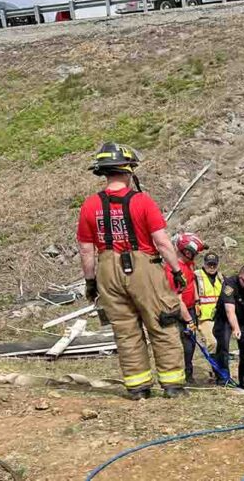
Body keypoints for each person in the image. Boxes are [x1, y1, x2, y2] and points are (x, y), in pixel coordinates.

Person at [77, 143, 187, 400]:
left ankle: (138, 388)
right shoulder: (143, 201)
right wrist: (176, 269)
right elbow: (162, 242)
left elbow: (85, 250)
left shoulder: (89, 205)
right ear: (127, 171)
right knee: (163, 322)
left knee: (126, 331)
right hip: (142, 267)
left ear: (104, 172)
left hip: (106, 268)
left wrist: (91, 281)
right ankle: (172, 385)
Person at [165, 233, 206, 384]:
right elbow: (177, 299)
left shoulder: (189, 264)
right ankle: (177, 375)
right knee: (179, 345)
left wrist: (196, 301)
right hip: (176, 311)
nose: (196, 257)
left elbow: (192, 282)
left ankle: (188, 372)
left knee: (191, 344)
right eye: (195, 253)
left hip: (190, 308)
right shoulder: (173, 270)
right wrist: (189, 320)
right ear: (187, 251)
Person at [195, 252, 223, 355]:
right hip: (204, 318)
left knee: (221, 344)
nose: (211, 267)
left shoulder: (221, 277)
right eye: (209, 264)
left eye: (214, 264)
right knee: (212, 342)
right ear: (204, 264)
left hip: (219, 317)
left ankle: (219, 366)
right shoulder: (197, 276)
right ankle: (213, 366)